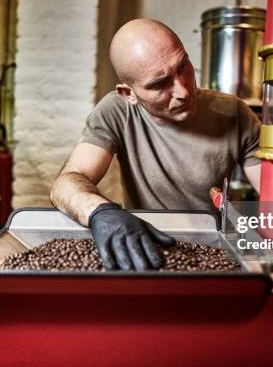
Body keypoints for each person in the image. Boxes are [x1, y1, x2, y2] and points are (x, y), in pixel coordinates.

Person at [50, 18, 261, 271]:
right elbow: (67, 182)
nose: (183, 90)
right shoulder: (116, 112)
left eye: (183, 66)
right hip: (143, 244)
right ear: (128, 94)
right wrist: (99, 211)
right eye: (160, 84)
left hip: (211, 250)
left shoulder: (233, 112)